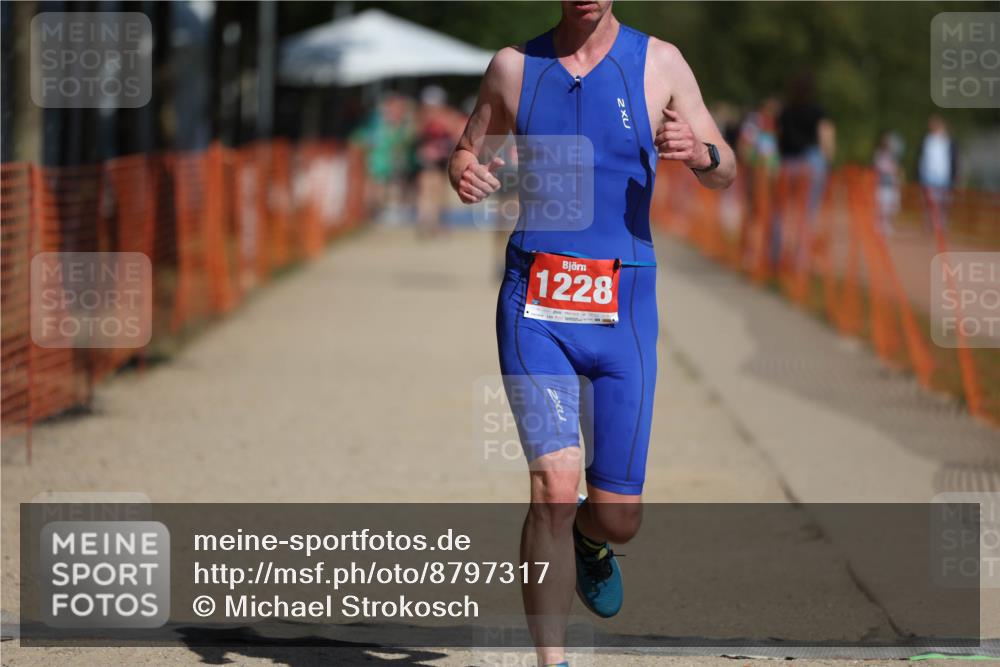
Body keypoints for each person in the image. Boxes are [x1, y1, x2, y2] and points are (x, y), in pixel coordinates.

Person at [448, 2, 735, 665]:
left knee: (617, 515)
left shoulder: (659, 62)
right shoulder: (514, 68)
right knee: (553, 484)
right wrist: (462, 170)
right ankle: (555, 659)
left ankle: (593, 536)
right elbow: (469, 148)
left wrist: (700, 152)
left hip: (625, 306)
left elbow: (727, 168)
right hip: (535, 303)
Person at [776, 72, 835, 271]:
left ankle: (776, 256)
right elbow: (826, 138)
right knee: (806, 215)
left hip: (787, 165)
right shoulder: (817, 111)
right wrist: (829, 164)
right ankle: (800, 264)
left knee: (781, 213)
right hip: (810, 164)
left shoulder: (785, 111)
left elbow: (779, 138)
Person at [916, 114, 958, 235]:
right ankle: (929, 227)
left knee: (943, 204)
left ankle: (941, 228)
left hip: (944, 178)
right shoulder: (927, 140)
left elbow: (954, 159)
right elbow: (922, 159)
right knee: (928, 204)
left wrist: (955, 176)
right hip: (928, 178)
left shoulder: (949, 141)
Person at [873, 131, 903, 236]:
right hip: (881, 184)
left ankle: (887, 224)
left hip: (891, 184)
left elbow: (896, 169)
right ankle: (879, 224)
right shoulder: (878, 154)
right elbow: (879, 167)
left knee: (891, 206)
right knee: (881, 206)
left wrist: (896, 179)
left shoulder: (894, 155)